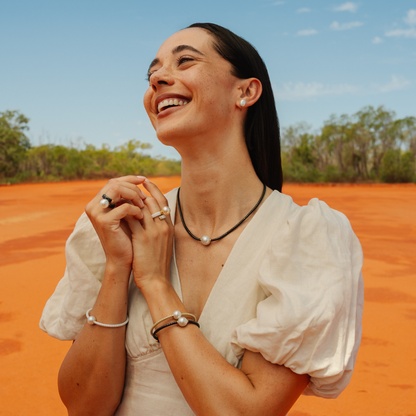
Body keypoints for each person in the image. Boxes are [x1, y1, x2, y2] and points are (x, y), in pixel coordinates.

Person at [40, 23, 364, 416]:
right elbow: (83, 405)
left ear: (245, 91)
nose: (158, 79)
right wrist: (116, 268)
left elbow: (244, 411)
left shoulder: (305, 239)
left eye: (185, 61)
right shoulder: (124, 226)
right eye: (152, 73)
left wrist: (156, 285)